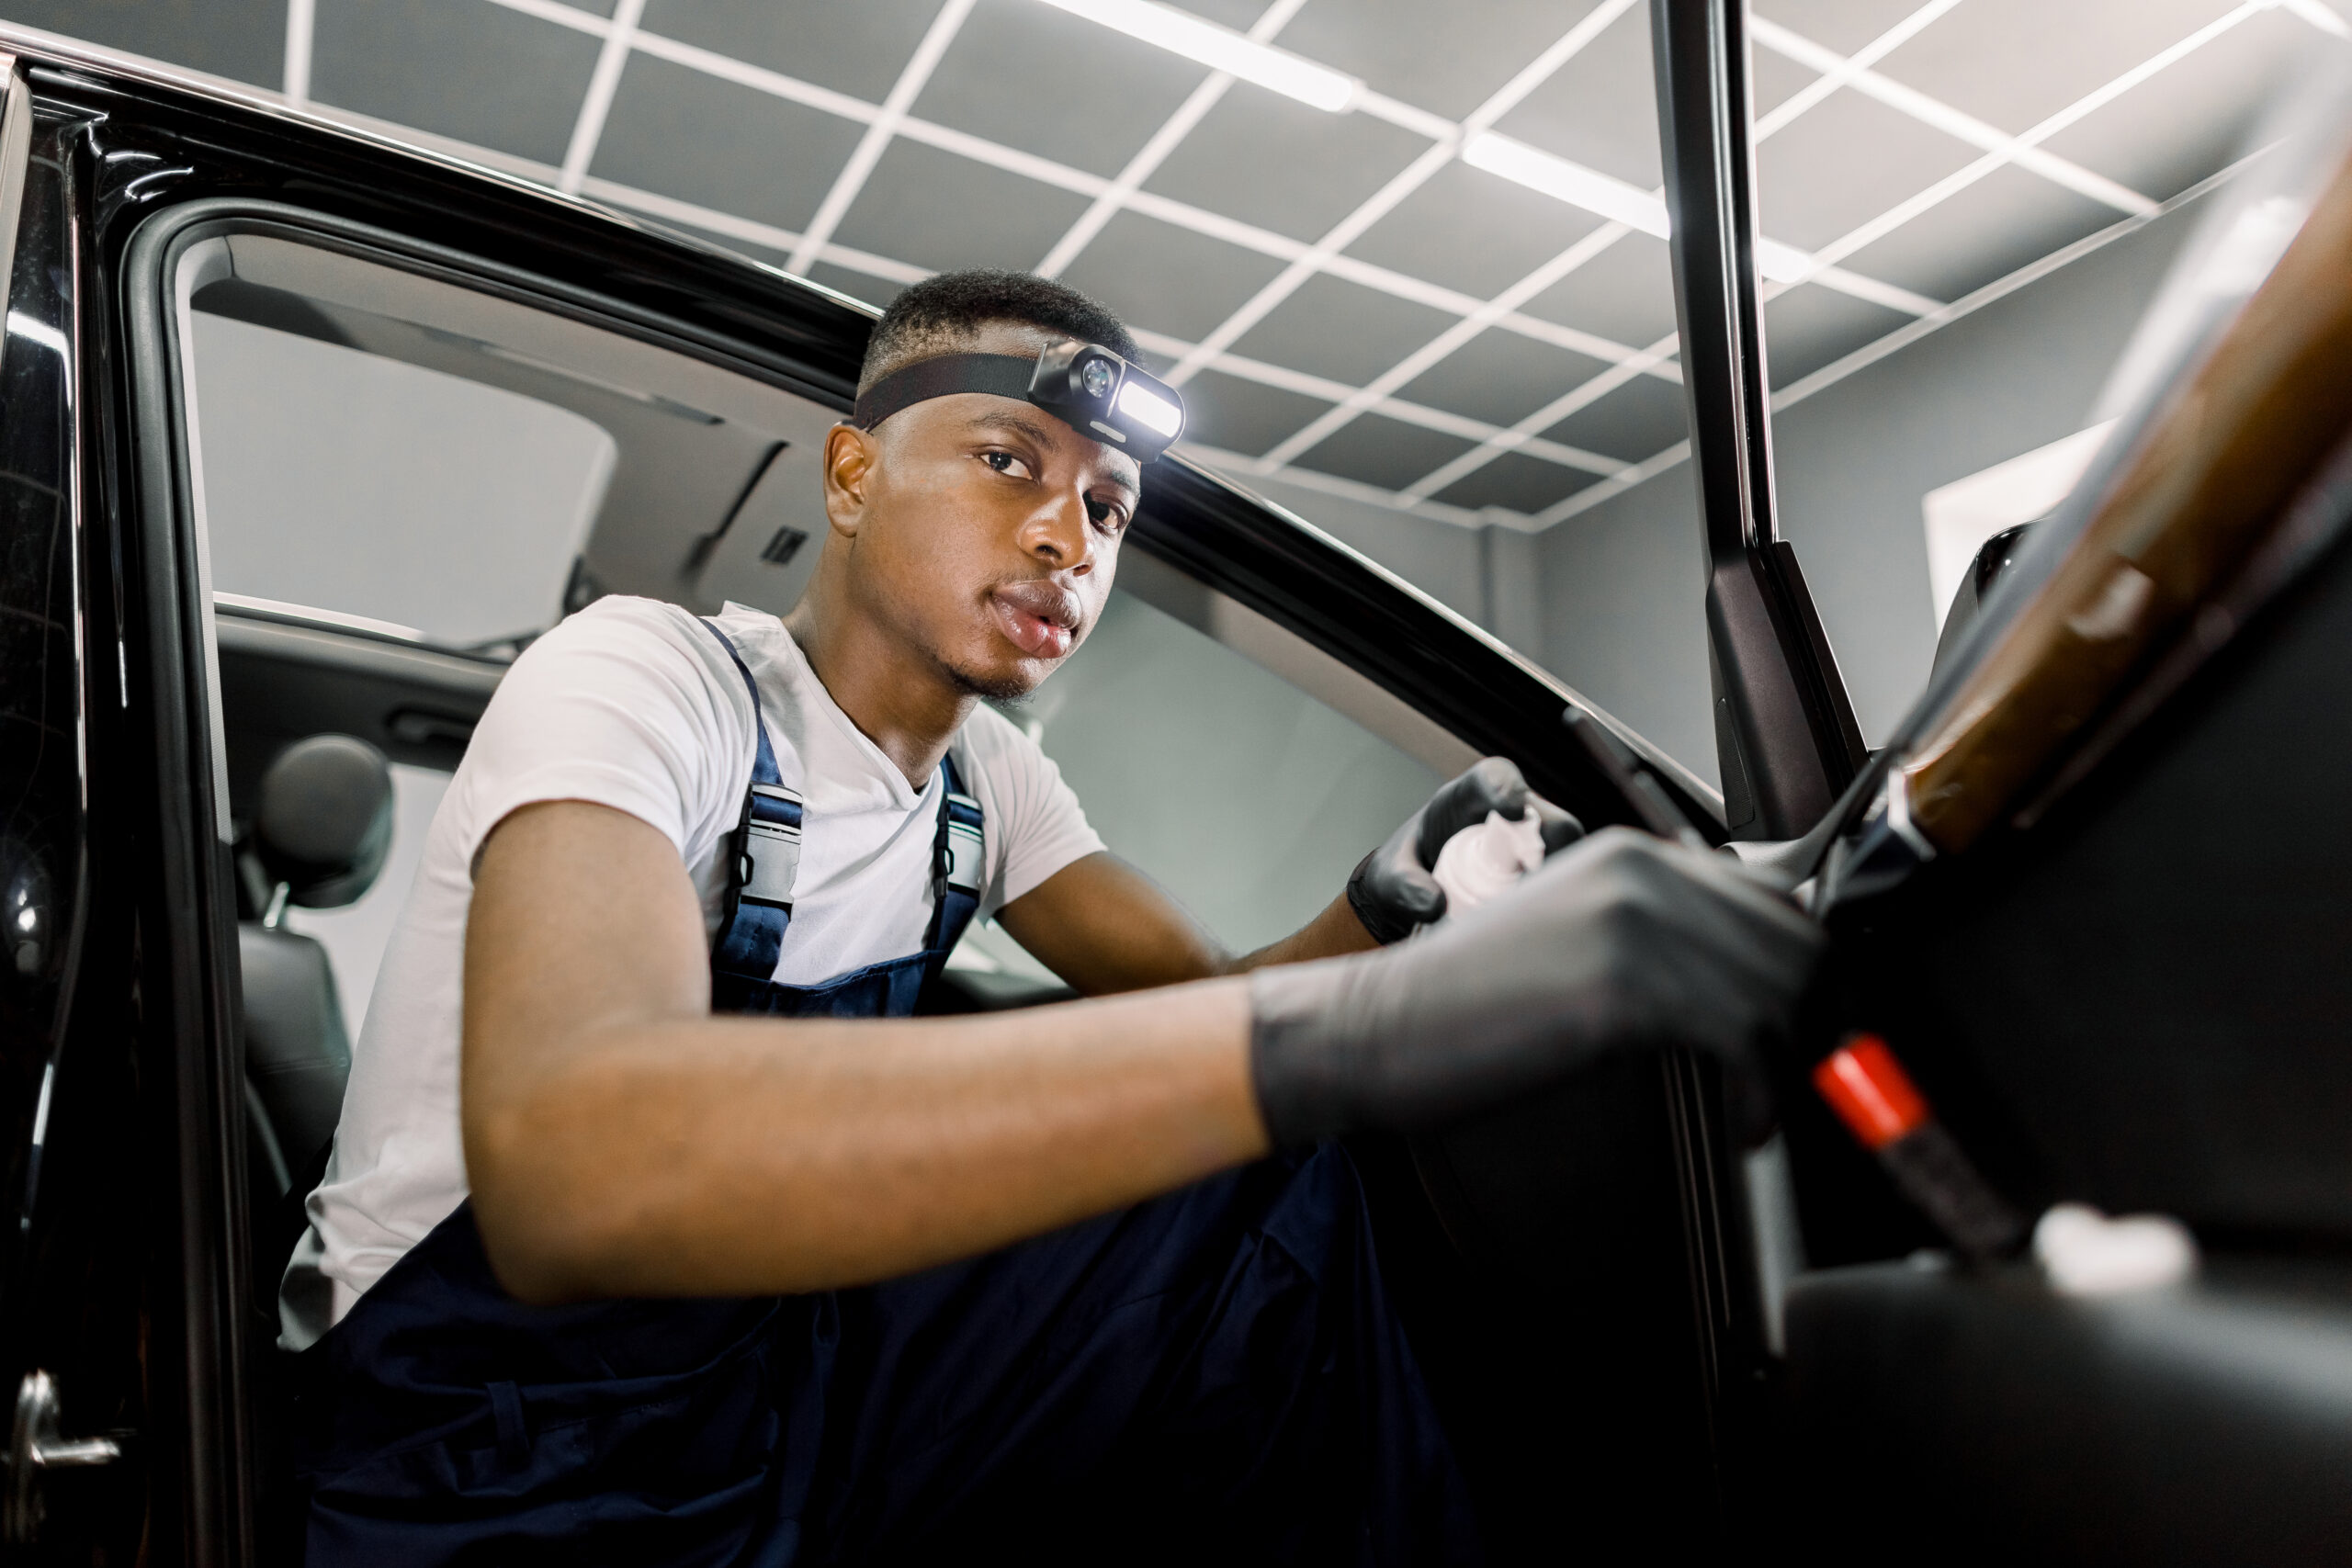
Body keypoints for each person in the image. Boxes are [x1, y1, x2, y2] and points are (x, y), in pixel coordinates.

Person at [280, 269, 1819, 1565]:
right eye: (1011, 462)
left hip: (754, 1375)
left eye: (1108, 505)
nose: (1068, 538)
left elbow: (1214, 1007)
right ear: (852, 473)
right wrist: (1346, 1039)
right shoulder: (653, 679)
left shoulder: (990, 784)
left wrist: (1388, 902)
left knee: (1261, 1208)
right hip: (467, 1438)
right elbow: (574, 1170)